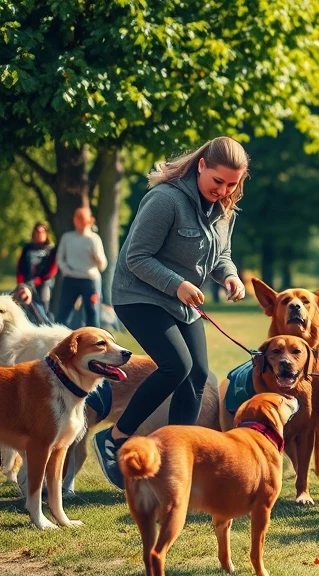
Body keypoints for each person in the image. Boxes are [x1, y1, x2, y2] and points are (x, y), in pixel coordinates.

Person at [93, 136, 248, 489]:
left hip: (182, 302)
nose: (223, 190)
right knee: (177, 365)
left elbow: (220, 256)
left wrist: (230, 276)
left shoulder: (225, 211)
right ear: (201, 166)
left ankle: (175, 461)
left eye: (232, 184)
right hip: (138, 296)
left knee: (198, 375)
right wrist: (177, 284)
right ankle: (115, 439)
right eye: (218, 181)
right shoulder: (165, 200)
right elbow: (136, 258)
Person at [55, 207, 107, 327]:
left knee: (92, 312)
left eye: (83, 219)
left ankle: (94, 341)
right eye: (78, 219)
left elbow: (103, 265)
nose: (81, 222)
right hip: (71, 278)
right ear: (74, 220)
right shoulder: (67, 237)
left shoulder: (94, 239)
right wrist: (67, 271)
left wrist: (98, 258)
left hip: (90, 279)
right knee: (63, 312)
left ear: (90, 221)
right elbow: (59, 259)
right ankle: (59, 339)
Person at [15, 221, 57, 313]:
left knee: (43, 302)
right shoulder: (27, 248)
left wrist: (39, 280)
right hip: (27, 282)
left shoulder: (51, 249)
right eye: (37, 232)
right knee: (21, 302)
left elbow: (52, 270)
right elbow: (20, 267)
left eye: (42, 232)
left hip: (44, 282)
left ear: (46, 234)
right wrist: (21, 283)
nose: (40, 234)